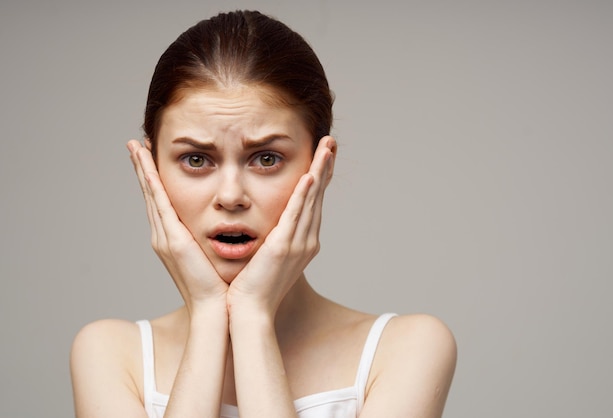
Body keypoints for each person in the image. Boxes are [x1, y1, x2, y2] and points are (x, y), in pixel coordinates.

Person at [70, 10, 457, 418]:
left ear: (319, 166)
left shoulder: (407, 348)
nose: (231, 196)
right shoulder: (111, 354)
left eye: (266, 158)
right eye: (196, 159)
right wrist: (207, 314)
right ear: (150, 170)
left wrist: (252, 316)